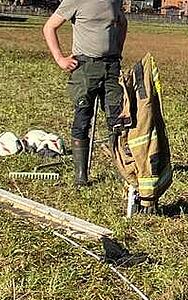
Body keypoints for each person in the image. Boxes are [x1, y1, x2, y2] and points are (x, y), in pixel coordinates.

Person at [43, 0, 127, 186]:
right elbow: (49, 27)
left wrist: (118, 49)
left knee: (117, 119)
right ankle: (81, 176)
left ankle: (124, 170)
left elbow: (122, 22)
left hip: (111, 68)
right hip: (85, 68)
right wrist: (60, 59)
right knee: (82, 119)